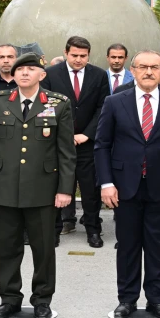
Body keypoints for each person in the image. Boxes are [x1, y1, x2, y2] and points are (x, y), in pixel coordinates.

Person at [95, 50, 160, 318]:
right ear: (133, 70)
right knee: (127, 246)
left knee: (157, 247)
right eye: (143, 67)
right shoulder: (115, 102)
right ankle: (126, 300)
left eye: (155, 67)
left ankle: (156, 300)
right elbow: (102, 145)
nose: (149, 72)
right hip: (124, 186)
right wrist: (106, 183)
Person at [0, 53, 76, 318]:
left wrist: (65, 189)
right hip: (5, 187)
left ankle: (42, 300)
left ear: (41, 75)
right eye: (20, 69)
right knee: (8, 248)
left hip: (43, 188)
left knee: (43, 249)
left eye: (31, 69)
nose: (24, 73)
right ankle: (9, 298)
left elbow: (66, 152)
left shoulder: (58, 104)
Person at [41, 36, 109, 248]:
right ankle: (54, 231)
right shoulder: (50, 74)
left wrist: (87, 134)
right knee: (57, 187)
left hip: (88, 143)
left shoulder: (98, 75)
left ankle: (93, 230)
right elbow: (45, 106)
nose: (79, 60)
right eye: (74, 55)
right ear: (66, 53)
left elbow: (103, 107)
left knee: (90, 190)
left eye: (83, 56)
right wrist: (65, 134)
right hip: (58, 143)